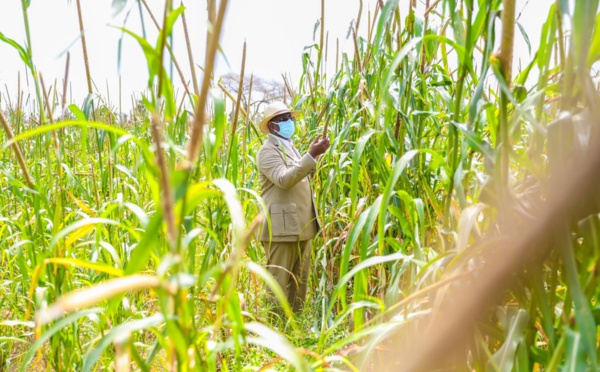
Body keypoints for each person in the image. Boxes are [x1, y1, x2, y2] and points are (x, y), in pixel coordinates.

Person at [257, 101, 330, 314]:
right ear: (271, 126)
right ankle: (274, 328)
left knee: (300, 282)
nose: (289, 122)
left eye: (290, 117)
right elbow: (283, 179)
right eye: (283, 119)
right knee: (278, 284)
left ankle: (294, 326)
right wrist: (311, 156)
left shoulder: (289, 146)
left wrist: (311, 156)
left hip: (302, 224)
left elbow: (300, 175)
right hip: (281, 227)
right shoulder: (267, 151)